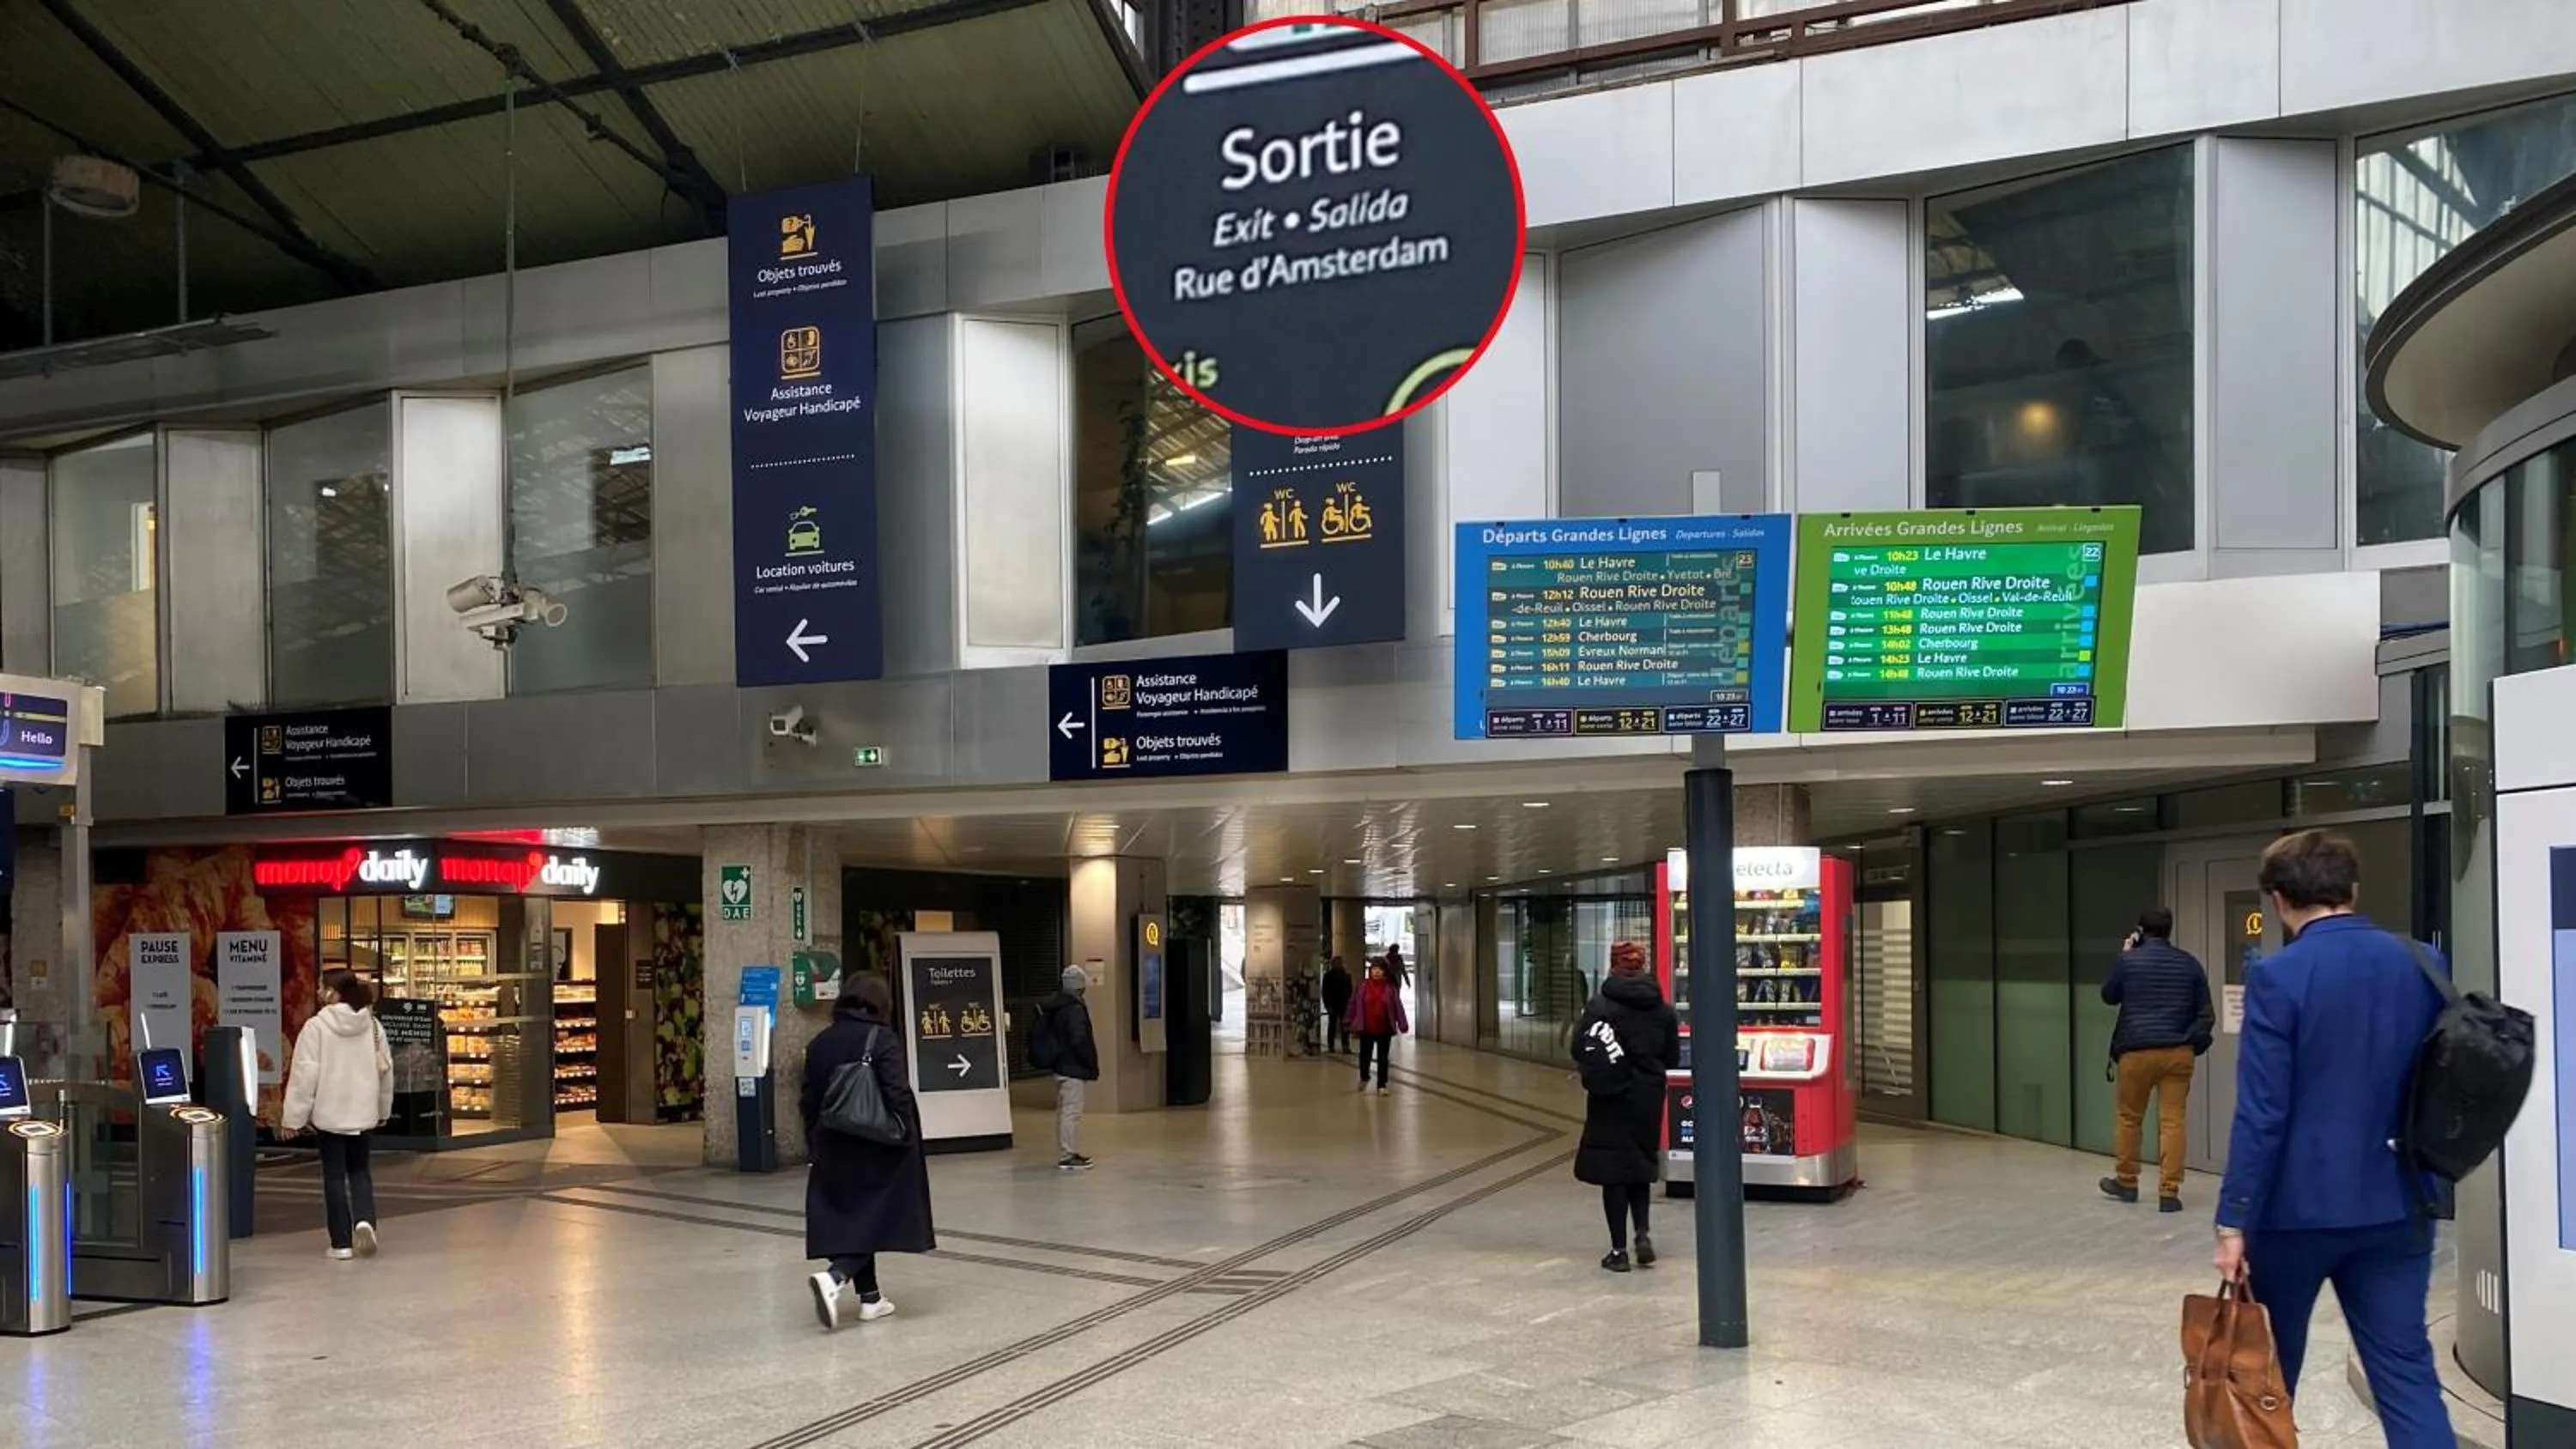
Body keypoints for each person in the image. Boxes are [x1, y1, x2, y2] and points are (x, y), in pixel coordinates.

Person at [2213, 830, 2456, 1449]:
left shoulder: (2278, 976)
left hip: (2295, 1212)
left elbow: (2263, 1112)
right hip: (2399, 1203)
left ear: (2275, 899)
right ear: (2352, 889)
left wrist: (2233, 1218)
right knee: (2405, 1372)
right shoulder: (2424, 963)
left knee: (2267, 1378)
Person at [801, 972, 935, 1330]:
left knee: (852, 1217)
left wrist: (813, 1144)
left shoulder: (819, 1043)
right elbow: (897, 1091)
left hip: (831, 1144)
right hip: (876, 1144)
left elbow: (808, 1100)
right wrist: (907, 1134)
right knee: (878, 1215)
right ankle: (836, 1277)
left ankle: (871, 1299)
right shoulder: (882, 1038)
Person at [2098, 905, 2214, 1211]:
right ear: (2169, 930)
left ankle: (2126, 1181)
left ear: (2140, 931)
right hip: (2177, 1053)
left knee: (2129, 1118)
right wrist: (2191, 1042)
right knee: (2172, 1121)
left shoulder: (2129, 961)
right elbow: (2206, 1013)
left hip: (2136, 1052)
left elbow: (2109, 995)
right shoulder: (2189, 964)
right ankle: (2169, 1192)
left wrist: (2124, 954)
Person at [1571, 941, 1678, 1273]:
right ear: (1643, 966)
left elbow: (1579, 1047)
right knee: (1640, 1168)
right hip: (1647, 1097)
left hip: (1610, 1097)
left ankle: (1618, 1251)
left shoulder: (1600, 1006)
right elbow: (1672, 1057)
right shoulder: (1662, 1010)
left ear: (1614, 966)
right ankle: (1642, 1234)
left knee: (1613, 1174)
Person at [282, 968, 393, 1262]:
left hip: (329, 1114)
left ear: (333, 993)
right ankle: (365, 1220)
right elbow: (385, 1071)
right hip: (364, 1111)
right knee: (360, 1171)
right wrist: (383, 1110)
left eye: (322, 988)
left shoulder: (315, 1027)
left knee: (333, 1177)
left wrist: (293, 1118)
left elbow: (305, 1075)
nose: (318, 992)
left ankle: (341, 1243)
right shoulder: (373, 1026)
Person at [1036, 965, 1098, 1171]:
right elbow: (1079, 1040)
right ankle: (1067, 1155)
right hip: (1072, 1068)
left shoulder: (1058, 1006)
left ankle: (1067, 1151)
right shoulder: (1074, 1009)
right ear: (1079, 986)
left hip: (1061, 1066)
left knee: (1065, 1111)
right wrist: (1088, 1062)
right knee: (1071, 1112)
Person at [1348, 960, 1407, 1094]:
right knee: (1365, 1055)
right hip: (1366, 1027)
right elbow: (1353, 1003)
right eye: (1374, 969)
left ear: (1385, 972)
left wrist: (1402, 1023)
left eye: (1379, 969)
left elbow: (1398, 1006)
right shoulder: (1362, 986)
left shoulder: (1390, 989)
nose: (1376, 972)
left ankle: (1382, 1084)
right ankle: (1364, 1076)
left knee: (1383, 1058)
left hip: (1384, 1028)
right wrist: (1349, 1019)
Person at [1321, 955, 1354, 1056]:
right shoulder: (1328, 976)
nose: (1339, 964)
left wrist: (1349, 1002)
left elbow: (1350, 990)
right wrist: (1327, 1005)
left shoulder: (1346, 975)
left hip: (1344, 1003)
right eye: (1336, 962)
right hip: (1333, 1004)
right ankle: (1331, 1045)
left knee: (1345, 1025)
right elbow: (1325, 992)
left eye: (1340, 962)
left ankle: (1345, 1045)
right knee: (1332, 1024)